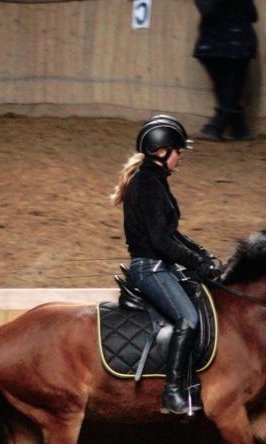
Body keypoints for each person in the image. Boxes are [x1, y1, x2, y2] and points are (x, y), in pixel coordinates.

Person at [109, 115, 221, 415]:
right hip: (151, 269)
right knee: (189, 319)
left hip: (162, 267)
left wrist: (201, 254)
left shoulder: (153, 181)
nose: (180, 155)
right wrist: (194, 260)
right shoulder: (148, 184)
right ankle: (172, 394)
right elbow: (160, 241)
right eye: (177, 150)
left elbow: (170, 234)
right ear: (161, 152)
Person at [193, 0, 259, 141]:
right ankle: (239, 127)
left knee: (226, 89)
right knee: (229, 89)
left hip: (217, 43)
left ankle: (217, 127)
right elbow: (252, 15)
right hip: (236, 41)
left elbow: (208, 10)